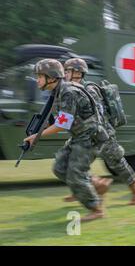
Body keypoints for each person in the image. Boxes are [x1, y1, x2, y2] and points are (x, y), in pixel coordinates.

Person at [24, 59, 107, 221]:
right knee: (59, 168)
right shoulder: (58, 92)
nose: (37, 80)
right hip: (79, 135)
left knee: (75, 175)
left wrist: (37, 136)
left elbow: (63, 123)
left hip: (90, 136)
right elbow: (61, 118)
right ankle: (96, 185)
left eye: (40, 76)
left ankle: (96, 209)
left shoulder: (67, 91)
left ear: (52, 77)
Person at [63, 58, 135, 205]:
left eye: (68, 71)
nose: (65, 74)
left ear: (78, 73)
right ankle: (84, 189)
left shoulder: (90, 90)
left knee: (117, 163)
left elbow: (98, 115)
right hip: (87, 135)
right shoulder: (73, 90)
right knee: (75, 161)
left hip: (102, 134)